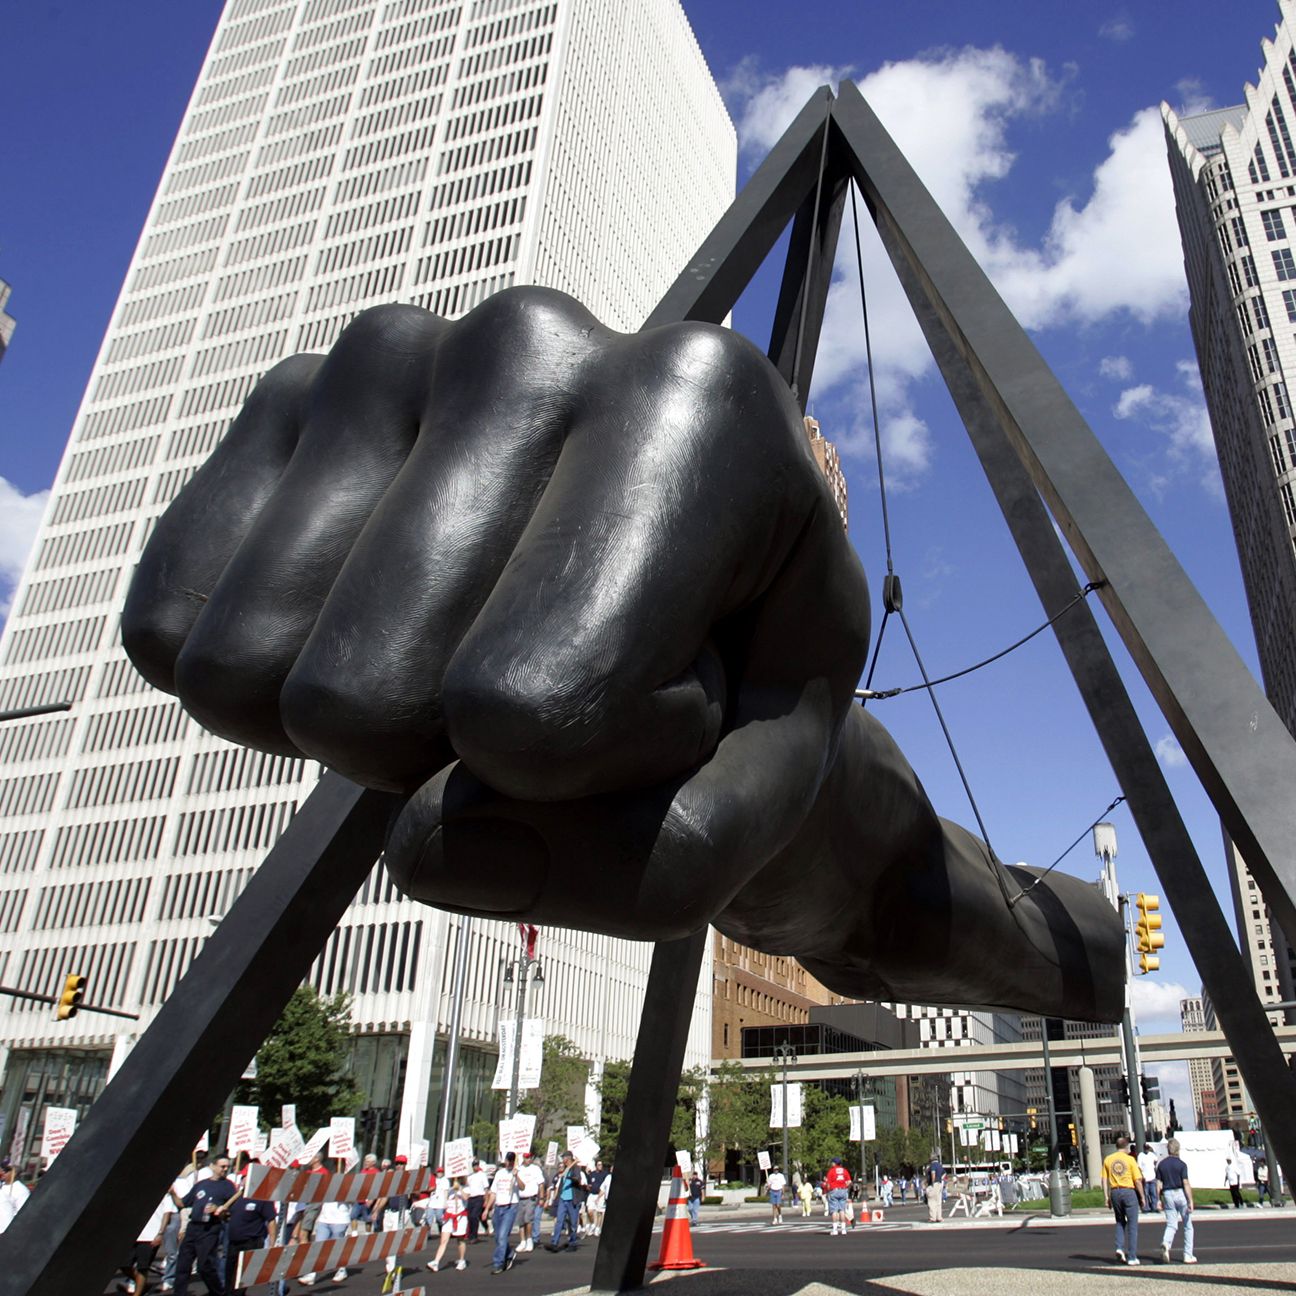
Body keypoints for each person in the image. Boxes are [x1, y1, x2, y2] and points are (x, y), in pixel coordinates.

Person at [173, 1154, 240, 1296]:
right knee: (183, 1264)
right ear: (213, 1166)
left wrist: (219, 1210)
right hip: (193, 1227)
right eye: (222, 1166)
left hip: (210, 1228)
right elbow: (183, 1203)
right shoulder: (201, 1184)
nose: (225, 1169)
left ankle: (218, 1292)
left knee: (204, 1266)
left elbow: (230, 1214)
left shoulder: (228, 1187)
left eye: (227, 1167)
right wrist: (172, 1193)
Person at [1102, 1135, 1145, 1266]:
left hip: (1115, 1191)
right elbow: (1137, 1180)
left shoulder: (1108, 1159)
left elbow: (1104, 1179)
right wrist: (1142, 1196)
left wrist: (1107, 1197)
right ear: (1126, 1147)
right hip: (1128, 1191)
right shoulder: (1130, 1160)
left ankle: (1119, 1247)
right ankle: (1132, 1256)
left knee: (1120, 1221)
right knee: (1132, 1225)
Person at [225, 1194, 278, 1296]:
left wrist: (272, 1244)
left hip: (251, 1242)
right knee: (229, 1278)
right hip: (233, 1243)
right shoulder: (237, 1197)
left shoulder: (262, 1198)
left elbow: (271, 1220)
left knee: (242, 1279)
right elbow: (228, 1216)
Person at [1155, 1137, 1196, 1264]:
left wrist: (1158, 1199)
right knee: (1188, 1225)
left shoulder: (1161, 1165)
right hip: (1180, 1193)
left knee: (1171, 1224)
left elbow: (1158, 1184)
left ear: (1168, 1150)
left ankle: (1166, 1243)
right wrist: (1190, 1200)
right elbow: (1186, 1183)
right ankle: (1188, 1255)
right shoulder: (1182, 1165)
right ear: (1178, 1149)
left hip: (1167, 1194)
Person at [485, 1151, 520, 1274]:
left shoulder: (517, 1172)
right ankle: (509, 1253)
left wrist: (516, 1176)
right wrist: (487, 1208)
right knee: (498, 1236)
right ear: (505, 1161)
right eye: (508, 1160)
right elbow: (493, 1192)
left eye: (512, 1161)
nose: (509, 1163)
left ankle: (498, 1263)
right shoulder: (499, 1173)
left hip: (510, 1207)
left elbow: (522, 1187)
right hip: (498, 1207)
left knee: (502, 1236)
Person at [427, 1178, 469, 1273]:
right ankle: (436, 1262)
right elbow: (445, 1202)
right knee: (443, 1241)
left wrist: (459, 1189)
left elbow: (466, 1197)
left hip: (460, 1217)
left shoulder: (466, 1187)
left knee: (460, 1240)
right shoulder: (449, 1189)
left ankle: (462, 1260)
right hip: (449, 1217)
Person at [546, 1151, 585, 1251]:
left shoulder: (575, 1168)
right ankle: (554, 1242)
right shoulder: (565, 1169)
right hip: (563, 1199)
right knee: (559, 1221)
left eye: (563, 1157)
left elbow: (577, 1179)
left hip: (572, 1199)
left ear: (568, 1158)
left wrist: (568, 1176)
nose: (562, 1159)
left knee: (572, 1222)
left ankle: (573, 1243)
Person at [517, 1151, 546, 1251]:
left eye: (529, 1157)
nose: (528, 1159)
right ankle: (522, 1241)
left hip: (531, 1198)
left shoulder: (535, 1169)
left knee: (528, 1219)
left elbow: (541, 1184)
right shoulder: (519, 1169)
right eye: (526, 1157)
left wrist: (541, 1198)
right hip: (520, 1198)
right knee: (521, 1221)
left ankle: (529, 1239)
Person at [0, 1158, 31, 1235]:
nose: (2, 1172)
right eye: (2, 1169)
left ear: (14, 1172)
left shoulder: (21, 1190)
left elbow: (23, 1214)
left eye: (6, 1170)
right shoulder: (2, 1186)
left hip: (7, 1232)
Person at [824, 1158, 851, 1235]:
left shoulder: (831, 1171)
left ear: (834, 1163)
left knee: (834, 1211)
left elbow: (828, 1184)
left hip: (834, 1190)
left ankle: (835, 1230)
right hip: (843, 1190)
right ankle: (843, 1229)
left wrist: (828, 1191)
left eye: (832, 1162)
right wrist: (845, 1187)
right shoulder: (844, 1170)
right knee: (842, 1210)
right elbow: (849, 1181)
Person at [464, 1159, 490, 1243]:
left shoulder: (482, 1175)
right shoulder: (470, 1176)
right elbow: (466, 1186)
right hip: (471, 1198)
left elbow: (486, 1188)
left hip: (479, 1197)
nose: (476, 1167)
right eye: (474, 1165)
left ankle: (474, 1236)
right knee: (469, 1217)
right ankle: (470, 1235)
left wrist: (486, 1200)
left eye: (477, 1165)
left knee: (474, 1216)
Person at [1138, 1143, 1159, 1213]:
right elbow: (1139, 1166)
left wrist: (1153, 1166)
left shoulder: (1152, 1154)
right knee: (1146, 1193)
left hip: (1152, 1176)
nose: (1147, 1150)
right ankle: (1146, 1207)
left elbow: (1156, 1160)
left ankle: (1154, 1207)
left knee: (1153, 1193)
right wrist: (1142, 1175)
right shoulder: (1141, 1155)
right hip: (1145, 1177)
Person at [924, 1155, 945, 1224]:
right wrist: (940, 1179)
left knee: (932, 1201)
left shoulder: (933, 1165)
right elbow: (944, 1174)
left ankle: (933, 1217)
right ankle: (939, 1217)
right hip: (939, 1183)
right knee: (938, 1201)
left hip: (934, 1184)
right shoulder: (940, 1165)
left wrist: (932, 1182)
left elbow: (933, 1173)